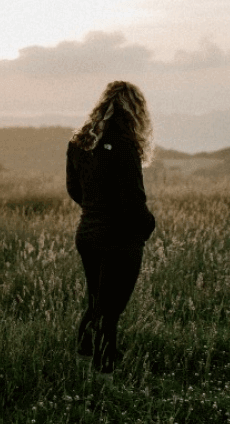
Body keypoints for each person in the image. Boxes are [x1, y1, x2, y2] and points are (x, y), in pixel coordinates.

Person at [66, 80, 156, 376]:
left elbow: (74, 190)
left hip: (88, 234)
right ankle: (104, 374)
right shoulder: (125, 146)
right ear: (135, 111)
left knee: (96, 302)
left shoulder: (79, 143)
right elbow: (134, 202)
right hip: (120, 239)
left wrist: (96, 209)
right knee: (110, 310)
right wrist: (147, 227)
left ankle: (83, 361)